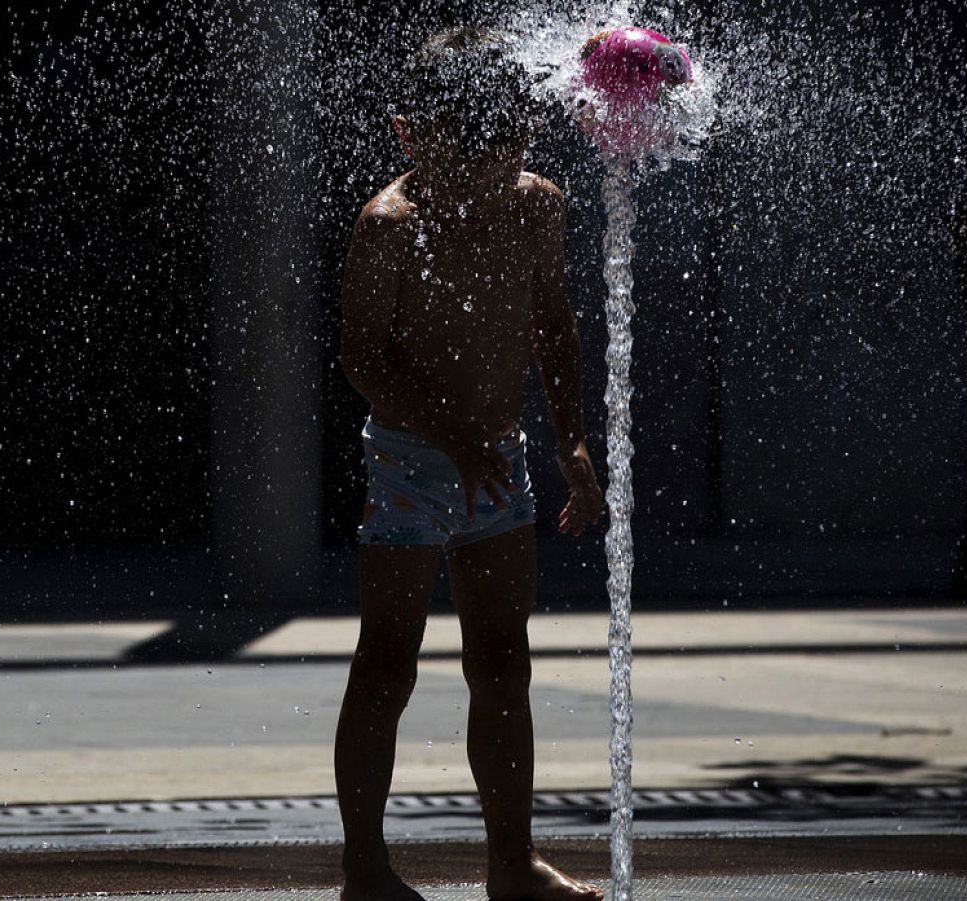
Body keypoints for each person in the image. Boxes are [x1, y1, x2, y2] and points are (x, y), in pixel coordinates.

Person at [333, 25, 607, 901]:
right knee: (388, 661)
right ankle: (366, 868)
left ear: (524, 140)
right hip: (413, 462)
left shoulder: (536, 204)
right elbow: (363, 358)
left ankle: (510, 862)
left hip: (500, 461)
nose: (484, 182)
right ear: (413, 136)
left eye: (503, 158)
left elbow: (553, 326)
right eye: (464, 161)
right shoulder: (388, 225)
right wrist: (447, 432)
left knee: (503, 661)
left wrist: (572, 439)